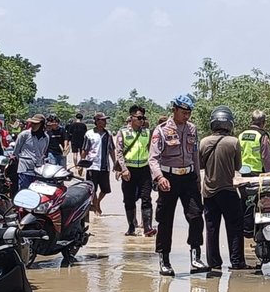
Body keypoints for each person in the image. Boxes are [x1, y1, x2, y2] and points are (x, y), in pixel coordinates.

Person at [148, 94, 209, 277]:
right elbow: (153, 158)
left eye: (189, 113)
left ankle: (196, 257)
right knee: (165, 220)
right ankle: (164, 259)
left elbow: (195, 156)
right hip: (168, 178)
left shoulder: (192, 129)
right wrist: (159, 178)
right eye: (183, 112)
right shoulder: (161, 131)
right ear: (174, 110)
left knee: (196, 215)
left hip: (189, 177)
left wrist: (198, 179)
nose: (186, 116)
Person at [200, 105, 250, 270]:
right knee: (235, 227)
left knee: (211, 229)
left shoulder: (204, 142)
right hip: (228, 190)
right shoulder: (234, 142)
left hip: (208, 192)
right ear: (230, 123)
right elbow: (238, 166)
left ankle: (214, 263)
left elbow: (199, 165)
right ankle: (237, 262)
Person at [115, 105, 156, 236]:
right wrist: (123, 169)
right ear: (131, 118)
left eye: (143, 118)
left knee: (146, 198)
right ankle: (131, 227)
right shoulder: (123, 133)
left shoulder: (147, 133)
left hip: (144, 170)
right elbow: (119, 153)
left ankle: (147, 227)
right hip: (129, 171)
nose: (141, 120)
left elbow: (152, 152)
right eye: (139, 118)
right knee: (129, 199)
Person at [82, 112, 115, 216]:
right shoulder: (89, 134)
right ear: (97, 121)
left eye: (105, 120)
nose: (105, 122)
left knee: (105, 189)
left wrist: (115, 163)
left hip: (104, 165)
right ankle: (96, 207)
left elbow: (111, 150)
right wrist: (82, 163)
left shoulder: (108, 134)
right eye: (103, 120)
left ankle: (97, 202)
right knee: (92, 189)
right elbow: (85, 149)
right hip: (92, 165)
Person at [13, 114, 49, 190]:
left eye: (36, 124)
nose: (33, 125)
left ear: (41, 124)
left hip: (39, 170)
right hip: (25, 170)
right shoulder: (24, 135)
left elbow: (44, 152)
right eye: (32, 123)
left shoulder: (46, 137)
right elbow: (16, 151)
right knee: (24, 191)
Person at [238, 110, 270, 175]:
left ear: (252, 121)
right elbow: (266, 156)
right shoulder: (262, 136)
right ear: (263, 122)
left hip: (243, 171)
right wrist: (269, 172)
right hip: (257, 172)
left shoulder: (241, 135)